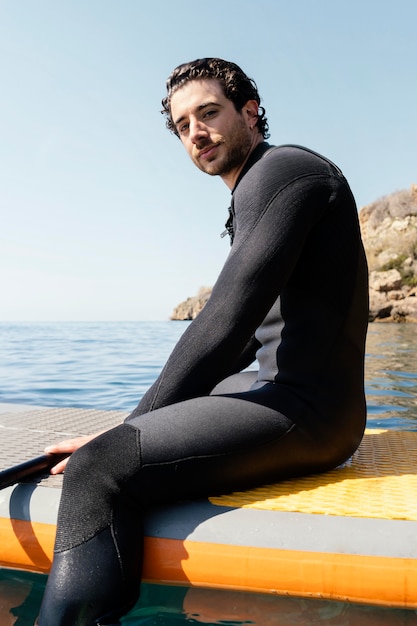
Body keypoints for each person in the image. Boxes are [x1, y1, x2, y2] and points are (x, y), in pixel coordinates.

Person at [36, 58, 369, 625]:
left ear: (250, 111)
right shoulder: (259, 191)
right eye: (183, 125)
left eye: (209, 113)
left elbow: (224, 321)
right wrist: (149, 424)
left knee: (99, 469)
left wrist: (121, 437)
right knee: (128, 441)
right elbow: (247, 340)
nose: (197, 132)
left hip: (307, 410)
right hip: (293, 398)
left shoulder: (284, 171)